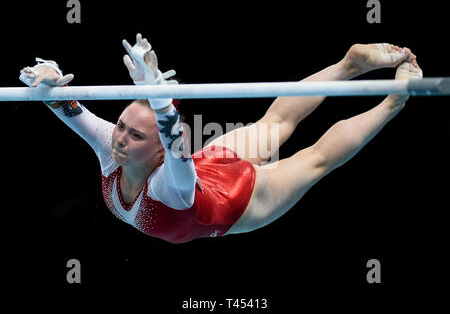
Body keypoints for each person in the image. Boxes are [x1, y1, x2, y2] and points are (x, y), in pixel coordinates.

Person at [19, 34, 422, 243]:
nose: (120, 138)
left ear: (158, 148)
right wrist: (49, 84)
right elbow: (71, 111)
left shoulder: (168, 186)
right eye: (122, 125)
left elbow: (175, 142)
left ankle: (392, 103)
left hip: (240, 202)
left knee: (317, 159)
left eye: (134, 134)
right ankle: (346, 65)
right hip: (211, 166)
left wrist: (162, 104)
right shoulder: (113, 149)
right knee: (278, 120)